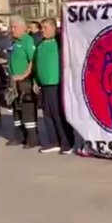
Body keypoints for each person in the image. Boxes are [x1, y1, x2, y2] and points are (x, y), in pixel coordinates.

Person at [32, 19, 75, 154]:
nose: (42, 30)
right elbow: (35, 63)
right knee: (47, 115)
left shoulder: (59, 42)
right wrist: (35, 81)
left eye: (45, 27)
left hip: (56, 84)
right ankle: (53, 141)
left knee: (58, 114)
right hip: (43, 85)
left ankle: (67, 143)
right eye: (41, 28)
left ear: (53, 28)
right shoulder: (40, 44)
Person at [6, 16, 39, 149]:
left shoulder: (27, 40)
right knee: (16, 109)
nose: (12, 30)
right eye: (11, 27)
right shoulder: (13, 42)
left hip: (24, 81)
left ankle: (32, 139)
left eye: (15, 27)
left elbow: (33, 59)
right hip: (13, 81)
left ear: (23, 28)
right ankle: (19, 136)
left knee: (27, 109)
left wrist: (24, 74)